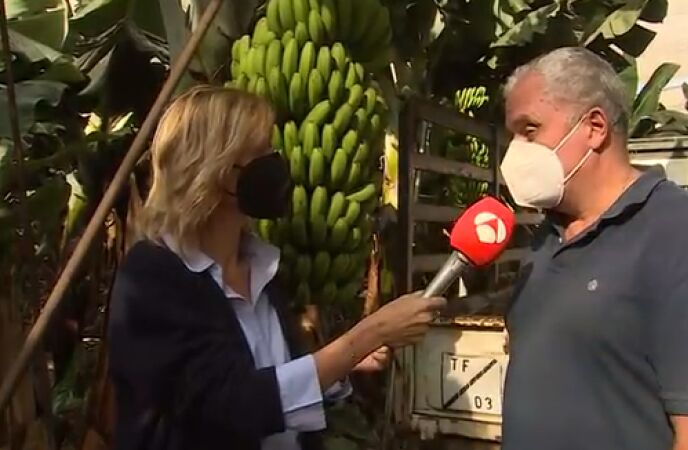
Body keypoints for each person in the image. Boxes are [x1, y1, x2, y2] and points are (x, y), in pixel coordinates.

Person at [107, 85, 446, 450]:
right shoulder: (153, 279)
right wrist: (369, 334)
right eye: (260, 153)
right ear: (217, 171)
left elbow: (273, 380)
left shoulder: (260, 267)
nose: (276, 163)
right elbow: (232, 403)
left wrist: (345, 363)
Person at [499, 47, 688, 450]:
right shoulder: (547, 239)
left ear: (594, 127)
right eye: (513, 134)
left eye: (529, 129)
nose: (515, 151)